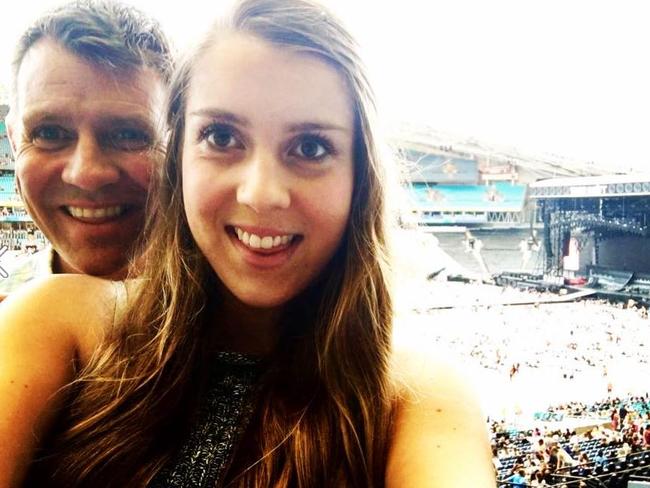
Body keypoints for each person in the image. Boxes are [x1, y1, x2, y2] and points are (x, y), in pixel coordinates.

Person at [0, 0, 494, 486]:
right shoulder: (54, 319)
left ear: (359, 175)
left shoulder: (417, 396)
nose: (260, 193)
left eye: (310, 147)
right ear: (180, 159)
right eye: (220, 137)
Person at [0, 0, 173, 298]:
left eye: (129, 134)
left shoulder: (250, 322)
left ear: (176, 145)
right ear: (15, 141)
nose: (87, 174)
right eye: (49, 133)